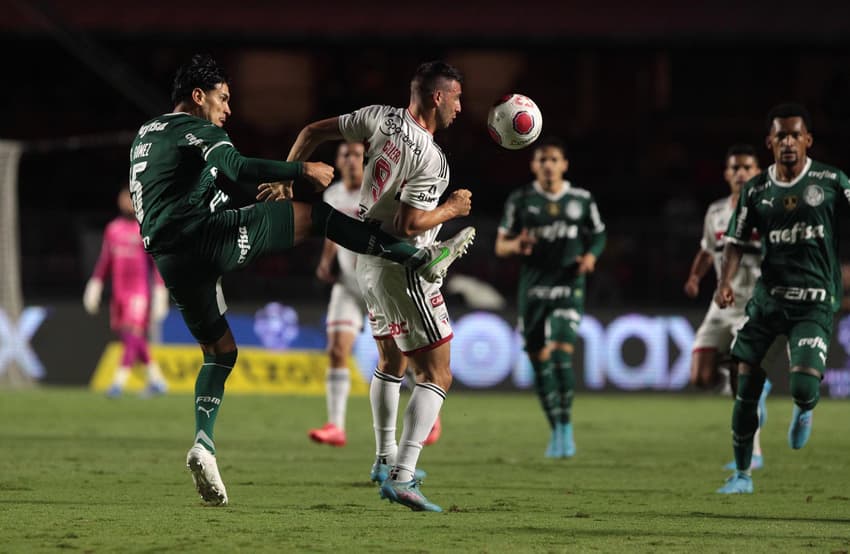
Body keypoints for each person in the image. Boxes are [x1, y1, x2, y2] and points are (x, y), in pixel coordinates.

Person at [130, 54, 474, 506]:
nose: (227, 109)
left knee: (220, 353)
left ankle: (203, 444)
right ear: (198, 96)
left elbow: (191, 182)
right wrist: (299, 172)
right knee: (317, 218)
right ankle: (417, 257)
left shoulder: (145, 134)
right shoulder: (200, 129)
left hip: (167, 256)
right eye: (223, 98)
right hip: (205, 237)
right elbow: (233, 166)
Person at [261, 60, 474, 512]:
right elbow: (410, 221)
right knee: (438, 374)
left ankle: (383, 460)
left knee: (390, 360)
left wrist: (288, 177)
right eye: (457, 97)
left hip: (364, 262)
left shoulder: (378, 116)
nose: (461, 106)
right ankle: (402, 475)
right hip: (402, 267)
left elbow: (312, 131)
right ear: (438, 97)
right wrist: (452, 209)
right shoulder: (431, 158)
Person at [715, 103, 850, 494]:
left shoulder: (830, 180)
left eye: (795, 135)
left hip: (814, 301)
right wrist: (725, 282)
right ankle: (741, 475)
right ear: (770, 142)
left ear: (808, 140)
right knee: (745, 390)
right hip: (770, 302)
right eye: (781, 136)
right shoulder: (756, 190)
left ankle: (804, 410)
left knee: (804, 389)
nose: (788, 142)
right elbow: (735, 243)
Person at [308, 142, 442, 449]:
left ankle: (428, 412)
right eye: (346, 154)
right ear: (338, 161)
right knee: (336, 350)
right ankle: (335, 425)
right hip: (347, 286)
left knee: (399, 356)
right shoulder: (332, 195)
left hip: (379, 283)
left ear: (366, 160)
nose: (353, 160)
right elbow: (334, 234)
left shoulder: (378, 193)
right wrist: (325, 261)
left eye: (358, 155)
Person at [495, 137, 606, 459]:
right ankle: (555, 425)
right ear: (533, 165)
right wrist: (517, 246)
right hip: (533, 289)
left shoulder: (582, 199)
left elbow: (598, 234)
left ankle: (567, 427)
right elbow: (501, 246)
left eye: (554, 159)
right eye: (542, 160)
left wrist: (591, 256)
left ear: (564, 165)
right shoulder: (522, 199)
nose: (548, 165)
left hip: (568, 287)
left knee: (560, 355)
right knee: (537, 359)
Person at [683, 145, 772, 469]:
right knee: (700, 377)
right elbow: (708, 250)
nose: (739, 173)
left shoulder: (770, 208)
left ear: (757, 172)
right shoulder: (717, 211)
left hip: (755, 304)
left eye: (746, 167)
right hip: (720, 304)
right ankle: (746, 386)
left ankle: (753, 452)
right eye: (734, 168)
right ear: (726, 174)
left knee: (742, 373)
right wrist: (695, 277)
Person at [84, 186, 169, 397]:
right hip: (119, 293)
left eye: (131, 199)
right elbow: (105, 261)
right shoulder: (113, 229)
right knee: (132, 339)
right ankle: (157, 381)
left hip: (139, 292)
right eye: (124, 199)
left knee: (133, 335)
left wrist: (160, 291)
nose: (127, 203)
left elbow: (156, 263)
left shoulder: (146, 227)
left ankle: (118, 383)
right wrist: (95, 284)